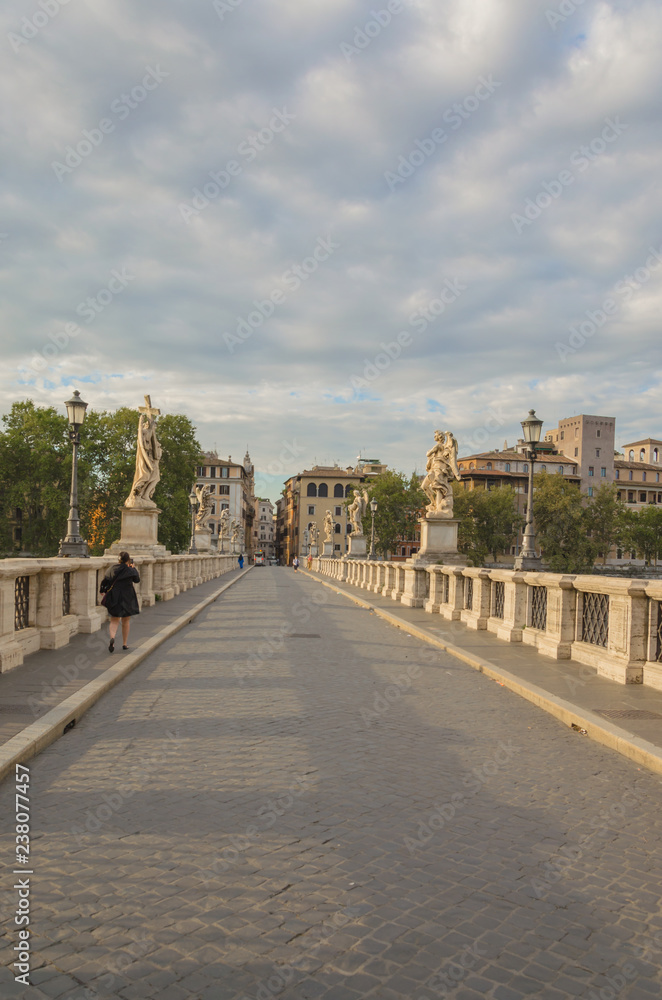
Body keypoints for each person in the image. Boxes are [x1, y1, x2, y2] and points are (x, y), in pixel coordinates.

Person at [100, 551, 140, 652]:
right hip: (127, 597)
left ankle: (112, 638)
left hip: (115, 597)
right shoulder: (130, 570)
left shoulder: (112, 568)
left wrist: (102, 590)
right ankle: (125, 643)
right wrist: (133, 568)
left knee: (114, 620)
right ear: (128, 560)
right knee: (126, 621)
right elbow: (137, 580)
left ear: (118, 559)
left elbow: (105, 580)